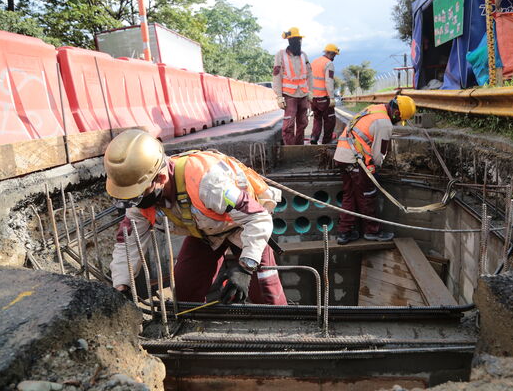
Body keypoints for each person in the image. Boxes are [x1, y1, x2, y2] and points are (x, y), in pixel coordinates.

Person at [104, 129, 287, 305]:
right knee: (186, 292)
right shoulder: (141, 200)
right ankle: (193, 330)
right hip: (205, 233)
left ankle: (282, 329)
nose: (136, 202)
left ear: (160, 178)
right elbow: (128, 243)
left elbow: (258, 218)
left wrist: (245, 268)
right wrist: (121, 286)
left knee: (266, 292)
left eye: (139, 194)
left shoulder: (207, 182)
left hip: (244, 226)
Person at [333, 96, 417, 245]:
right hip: (356, 161)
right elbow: (379, 155)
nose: (397, 121)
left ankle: (344, 233)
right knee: (368, 195)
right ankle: (372, 231)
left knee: (350, 195)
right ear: (397, 113)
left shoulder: (374, 108)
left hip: (342, 155)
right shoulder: (384, 124)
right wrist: (375, 171)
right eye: (399, 119)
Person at [273, 27, 313, 145]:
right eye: (296, 40)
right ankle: (290, 148)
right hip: (289, 95)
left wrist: (311, 92)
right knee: (288, 124)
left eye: (299, 40)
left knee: (303, 122)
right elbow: (277, 76)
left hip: (303, 95)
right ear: (290, 41)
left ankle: (299, 146)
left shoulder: (304, 55)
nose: (299, 42)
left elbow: (309, 74)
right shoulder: (281, 55)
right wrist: (279, 96)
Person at [310, 44, 340, 145]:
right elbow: (329, 81)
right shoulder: (328, 64)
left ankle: (314, 138)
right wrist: (332, 98)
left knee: (317, 119)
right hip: (324, 97)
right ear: (330, 53)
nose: (334, 57)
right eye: (334, 55)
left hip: (313, 98)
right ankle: (326, 143)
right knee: (330, 120)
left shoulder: (314, 62)